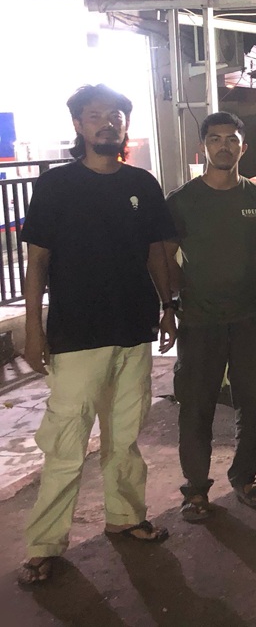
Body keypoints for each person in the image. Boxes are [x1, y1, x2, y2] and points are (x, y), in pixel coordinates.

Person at [17, 85, 177, 585]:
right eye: (95, 116)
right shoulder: (56, 185)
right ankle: (45, 544)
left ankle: (125, 516)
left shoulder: (142, 183)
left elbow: (156, 252)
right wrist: (33, 330)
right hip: (76, 334)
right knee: (66, 441)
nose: (108, 123)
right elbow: (37, 262)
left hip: (134, 329)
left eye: (116, 116)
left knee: (124, 435)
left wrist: (168, 307)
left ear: (125, 125)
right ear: (78, 126)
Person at [165, 112, 256, 521]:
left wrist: (245, 282)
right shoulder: (182, 200)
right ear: (204, 147)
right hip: (200, 321)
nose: (224, 146)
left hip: (250, 318)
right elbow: (163, 256)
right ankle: (196, 489)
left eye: (231, 139)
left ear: (242, 147)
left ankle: (245, 477)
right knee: (196, 406)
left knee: (255, 402)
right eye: (215, 139)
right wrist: (181, 294)